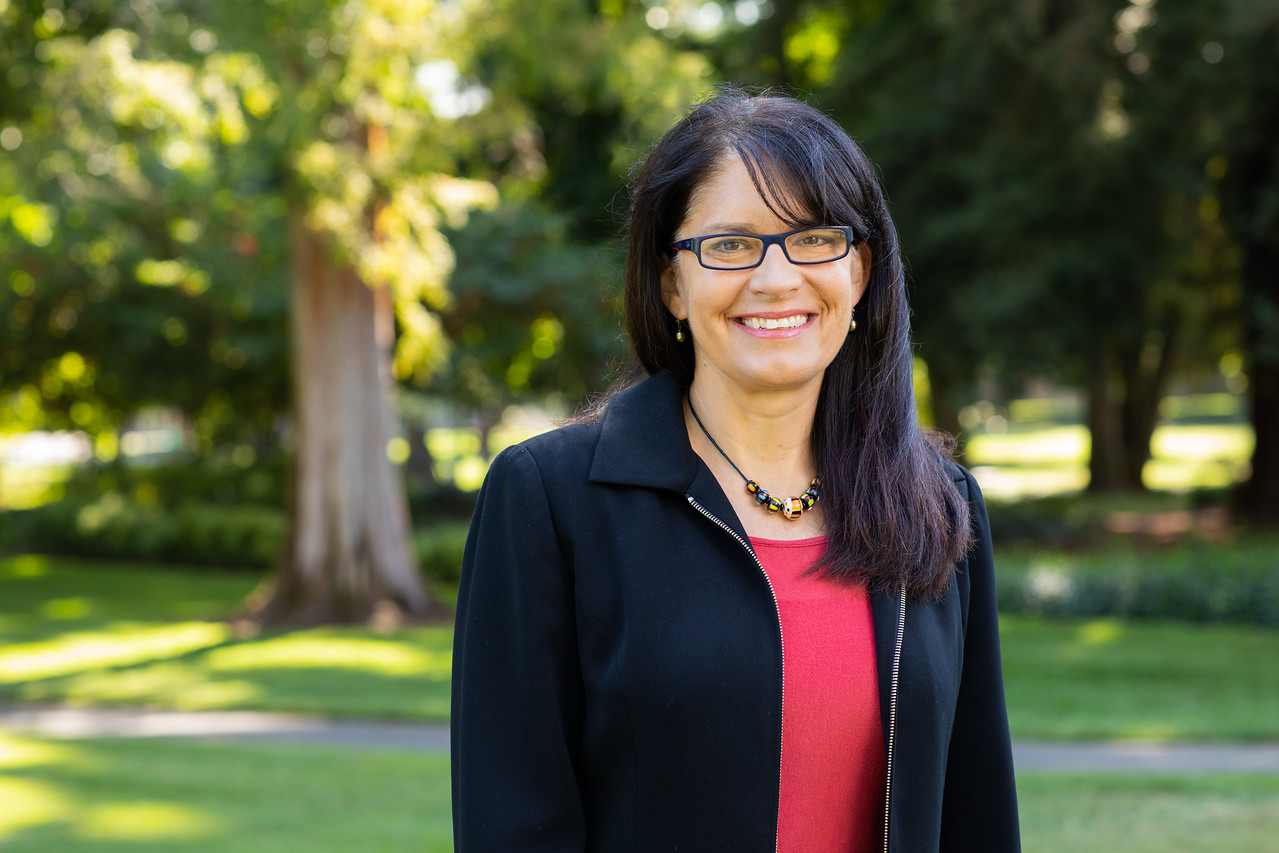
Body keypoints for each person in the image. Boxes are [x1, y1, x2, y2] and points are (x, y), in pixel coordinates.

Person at [451, 88, 1020, 852]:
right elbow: (511, 823)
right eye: (728, 245)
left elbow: (975, 812)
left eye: (813, 238)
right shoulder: (550, 501)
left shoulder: (938, 503)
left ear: (859, 273)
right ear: (669, 284)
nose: (777, 277)